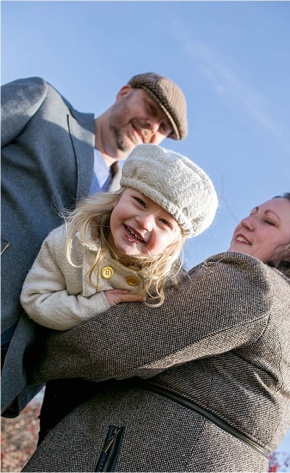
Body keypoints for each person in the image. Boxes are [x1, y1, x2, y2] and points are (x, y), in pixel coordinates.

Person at [22, 193, 290, 472]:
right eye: (252, 213)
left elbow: (119, 343)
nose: (247, 221)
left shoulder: (254, 281)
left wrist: (31, 356)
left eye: (268, 221)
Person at [2, 72, 188, 418]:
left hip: (10, 358)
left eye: (162, 128)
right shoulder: (45, 103)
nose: (151, 126)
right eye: (149, 108)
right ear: (123, 92)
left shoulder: (126, 203)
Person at [19, 144, 217, 442]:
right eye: (139, 202)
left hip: (128, 400)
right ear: (117, 198)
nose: (145, 221)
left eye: (164, 222)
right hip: (68, 380)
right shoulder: (69, 243)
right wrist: (100, 302)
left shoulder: (167, 285)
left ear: (174, 244)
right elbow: (36, 300)